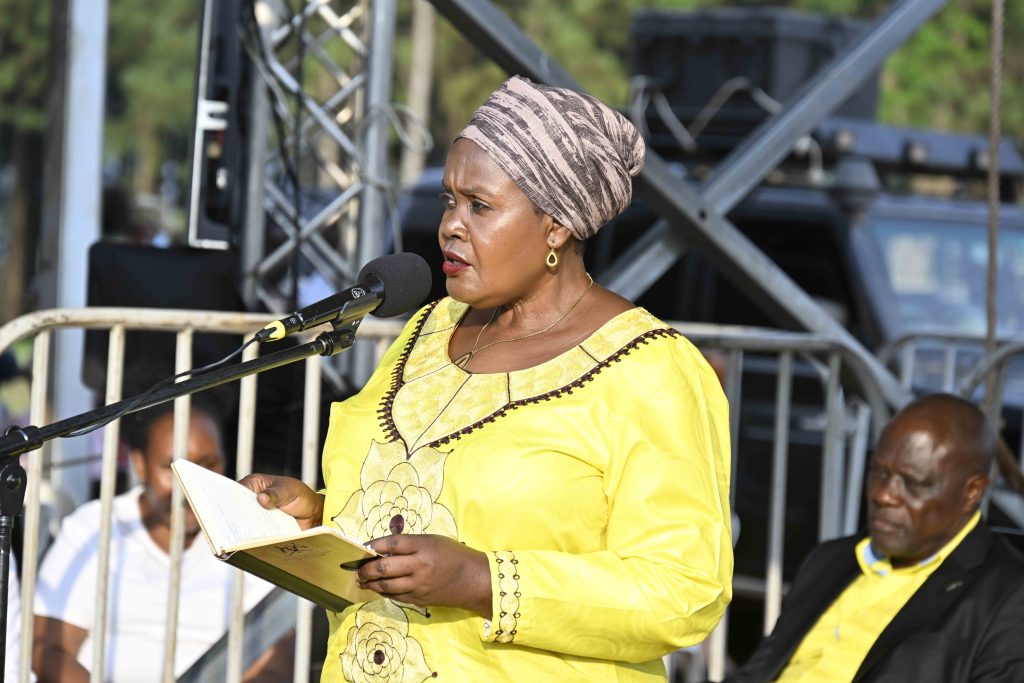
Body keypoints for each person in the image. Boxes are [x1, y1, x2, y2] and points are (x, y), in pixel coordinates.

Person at [242, 74, 733, 681]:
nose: (450, 225)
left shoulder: (651, 370)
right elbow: (417, 505)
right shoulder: (427, 331)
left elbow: (683, 591)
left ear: (557, 225)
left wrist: (483, 581)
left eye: (480, 206)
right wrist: (316, 520)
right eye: (450, 200)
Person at [724, 393, 1024, 682]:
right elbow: (754, 674)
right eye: (878, 473)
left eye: (913, 484)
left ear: (972, 491)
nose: (884, 495)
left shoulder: (1007, 594)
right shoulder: (832, 558)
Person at [32, 403, 291, 682]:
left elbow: (274, 666)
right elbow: (47, 647)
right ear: (140, 465)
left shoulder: (250, 536)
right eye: (172, 470)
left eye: (208, 465)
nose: (190, 485)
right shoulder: (94, 528)